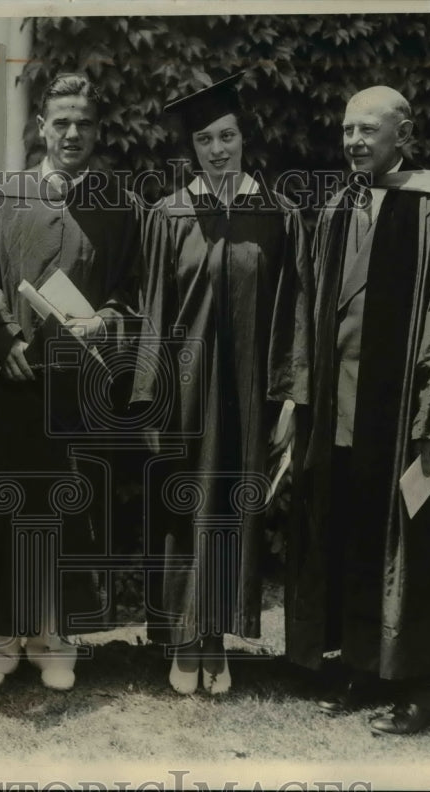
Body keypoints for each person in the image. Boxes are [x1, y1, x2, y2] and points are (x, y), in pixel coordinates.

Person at [284, 85, 430, 734]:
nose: (355, 140)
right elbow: (308, 309)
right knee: (355, 533)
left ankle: (426, 682)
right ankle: (363, 663)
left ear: (403, 136)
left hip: (416, 416)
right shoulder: (334, 207)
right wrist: (303, 395)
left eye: (369, 130)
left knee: (417, 543)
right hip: (343, 410)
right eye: (347, 129)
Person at [132, 73, 312, 695]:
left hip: (248, 396)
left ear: (245, 138)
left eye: (227, 135)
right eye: (205, 139)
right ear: (192, 148)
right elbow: (153, 309)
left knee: (233, 512)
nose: (217, 149)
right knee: (186, 512)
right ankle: (186, 641)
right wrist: (150, 395)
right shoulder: (169, 216)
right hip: (185, 392)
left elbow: (295, 310)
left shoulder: (278, 216)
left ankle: (219, 638)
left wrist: (291, 392)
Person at [0, 73, 141, 691]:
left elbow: (134, 292)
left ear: (98, 130)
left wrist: (107, 321)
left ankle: (54, 636)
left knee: (68, 510)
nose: (72, 133)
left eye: (85, 123)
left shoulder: (120, 206)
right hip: (13, 382)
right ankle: (2, 636)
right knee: (8, 506)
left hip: (78, 388)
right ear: (41, 126)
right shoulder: (3, 196)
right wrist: (1, 340)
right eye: (61, 121)